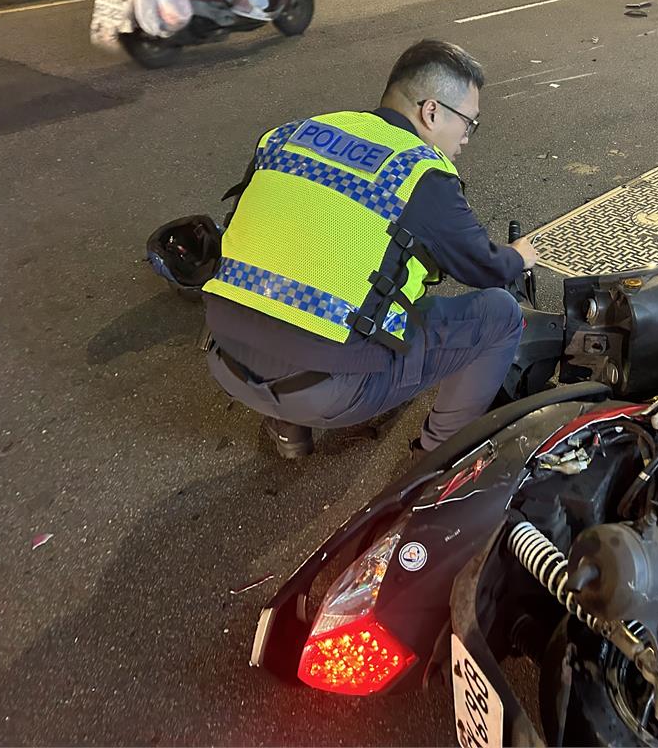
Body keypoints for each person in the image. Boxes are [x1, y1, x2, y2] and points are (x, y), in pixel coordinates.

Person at [202, 39, 538, 460]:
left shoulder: (291, 134)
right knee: (500, 315)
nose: (466, 139)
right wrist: (517, 257)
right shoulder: (418, 172)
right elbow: (484, 268)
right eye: (469, 124)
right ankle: (437, 460)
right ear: (431, 111)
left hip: (224, 358)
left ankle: (287, 429)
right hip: (326, 393)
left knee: (308, 269)